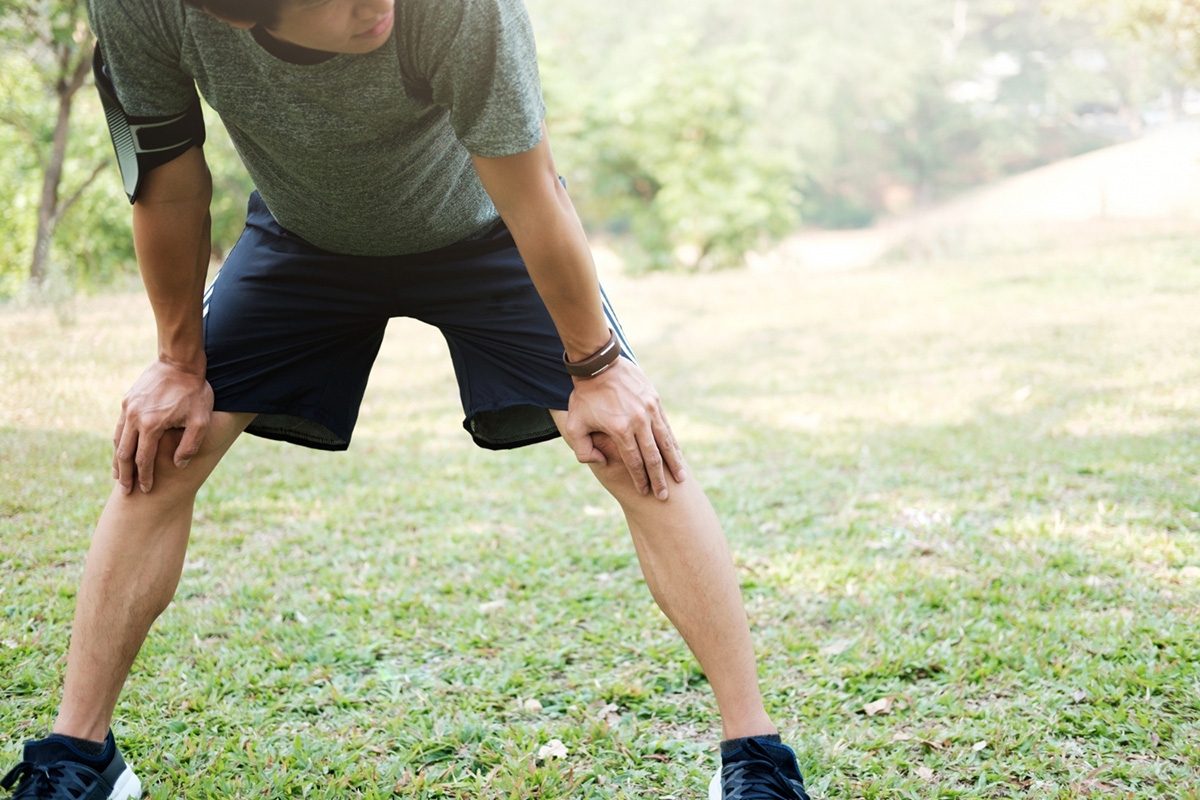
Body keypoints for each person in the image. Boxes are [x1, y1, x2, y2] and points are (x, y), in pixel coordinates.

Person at [0, 1, 810, 798]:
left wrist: (597, 369)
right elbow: (170, 182)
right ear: (240, 16)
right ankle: (81, 756)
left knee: (638, 451)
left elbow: (534, 193)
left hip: (488, 228)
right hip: (301, 240)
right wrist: (177, 361)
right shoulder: (143, 9)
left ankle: (757, 757)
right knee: (166, 445)